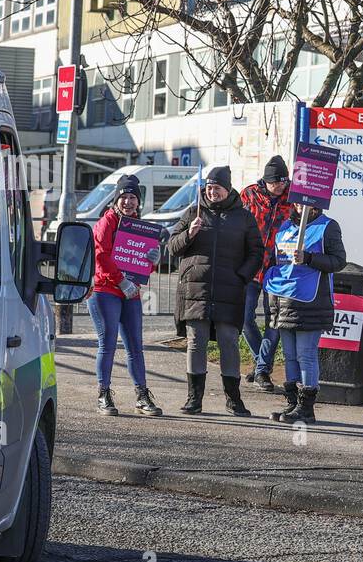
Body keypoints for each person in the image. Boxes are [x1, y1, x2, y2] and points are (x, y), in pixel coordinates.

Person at [168, 165, 263, 416]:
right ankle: (194, 398)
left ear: (228, 189)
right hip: (195, 291)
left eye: (217, 188)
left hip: (229, 291)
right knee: (196, 342)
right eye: (209, 188)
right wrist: (189, 233)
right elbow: (172, 247)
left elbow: (256, 252)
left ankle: (233, 399)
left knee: (229, 342)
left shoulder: (243, 218)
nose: (212, 193)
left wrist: (241, 276)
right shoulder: (193, 213)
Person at [264, 202, 347, 424]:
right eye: (299, 201)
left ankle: (306, 407)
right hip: (284, 299)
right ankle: (292, 402)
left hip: (312, 302)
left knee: (305, 355)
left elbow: (339, 261)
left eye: (308, 201)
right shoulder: (285, 227)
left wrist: (309, 258)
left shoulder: (328, 226)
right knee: (289, 355)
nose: (303, 205)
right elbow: (276, 260)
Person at [88, 175, 163, 417]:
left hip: (130, 292)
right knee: (107, 344)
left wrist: (153, 261)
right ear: (116, 199)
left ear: (138, 201)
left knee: (135, 347)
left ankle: (142, 396)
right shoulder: (107, 222)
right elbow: (101, 256)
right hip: (105, 290)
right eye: (124, 197)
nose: (128, 202)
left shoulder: (139, 226)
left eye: (133, 197)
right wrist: (121, 281)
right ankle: (103, 395)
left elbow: (139, 265)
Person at [240, 155, 294, 392]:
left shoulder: (295, 197)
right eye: (275, 182)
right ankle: (263, 361)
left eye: (283, 180)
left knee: (274, 319)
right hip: (251, 266)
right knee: (244, 318)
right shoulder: (249, 194)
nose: (279, 186)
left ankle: (262, 369)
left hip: (279, 269)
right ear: (265, 180)